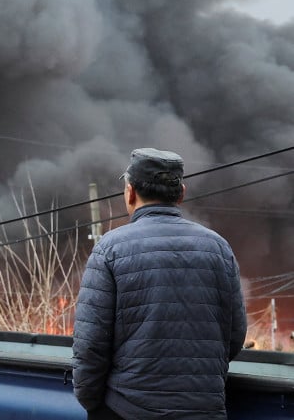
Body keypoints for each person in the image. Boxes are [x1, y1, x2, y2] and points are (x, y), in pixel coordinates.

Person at [72, 148, 247, 420]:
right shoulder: (218, 247)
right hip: (204, 410)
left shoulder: (110, 248)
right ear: (181, 193)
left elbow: (90, 344)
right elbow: (234, 335)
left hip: (127, 409)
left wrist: (95, 405)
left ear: (130, 192)